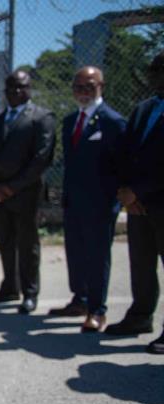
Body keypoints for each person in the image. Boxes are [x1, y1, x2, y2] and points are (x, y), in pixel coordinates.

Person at [48, 66, 125, 332]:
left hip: (100, 203)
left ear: (101, 86)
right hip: (74, 201)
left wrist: (116, 199)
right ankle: (79, 300)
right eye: (78, 87)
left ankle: (97, 311)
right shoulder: (70, 121)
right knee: (76, 254)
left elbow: (122, 164)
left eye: (89, 86)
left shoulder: (112, 122)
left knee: (96, 256)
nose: (83, 92)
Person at [0, 70, 56, 314]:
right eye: (11, 88)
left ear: (30, 88)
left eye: (22, 87)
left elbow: (41, 159)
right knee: (5, 242)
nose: (16, 92)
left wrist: (12, 187)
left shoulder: (41, 118)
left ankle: (30, 293)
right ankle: (10, 286)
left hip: (25, 194)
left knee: (27, 243)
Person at [105, 51, 164, 354]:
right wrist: (125, 190)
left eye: (160, 69)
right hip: (138, 204)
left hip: (157, 199)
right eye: (154, 69)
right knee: (141, 264)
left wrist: (138, 191)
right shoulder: (144, 109)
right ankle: (141, 316)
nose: (155, 75)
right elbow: (126, 152)